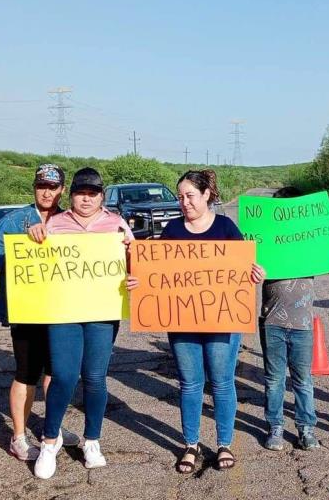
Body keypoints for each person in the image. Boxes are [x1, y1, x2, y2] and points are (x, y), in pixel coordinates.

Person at [128, 169, 265, 474]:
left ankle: (224, 443)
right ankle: (191, 445)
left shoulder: (227, 228)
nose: (184, 202)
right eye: (180, 196)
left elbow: (243, 269)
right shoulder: (173, 230)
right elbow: (156, 274)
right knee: (190, 384)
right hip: (183, 323)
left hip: (221, 323)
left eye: (190, 195)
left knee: (222, 383)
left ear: (206, 195)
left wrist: (256, 274)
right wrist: (139, 282)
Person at [26, 167, 134, 479]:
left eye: (93, 193)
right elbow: (38, 261)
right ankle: (49, 442)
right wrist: (35, 236)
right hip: (64, 311)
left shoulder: (116, 224)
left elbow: (136, 262)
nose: (86, 199)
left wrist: (132, 261)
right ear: (71, 195)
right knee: (63, 376)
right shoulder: (55, 223)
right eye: (80, 193)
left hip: (102, 311)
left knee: (96, 378)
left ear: (102, 196)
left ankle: (92, 441)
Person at [0, 163, 81, 461]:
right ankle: (18, 437)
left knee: (55, 373)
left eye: (53, 187)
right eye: (42, 186)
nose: (47, 192)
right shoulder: (15, 220)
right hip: (27, 310)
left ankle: (53, 428)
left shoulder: (69, 220)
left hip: (60, 310)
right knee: (27, 373)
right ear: (34, 187)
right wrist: (25, 244)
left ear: (62, 190)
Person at [259, 186, 329, 452]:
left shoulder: (310, 244)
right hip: (271, 322)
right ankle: (275, 426)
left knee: (303, 380)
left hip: (302, 325)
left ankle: (306, 428)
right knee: (274, 380)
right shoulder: (265, 242)